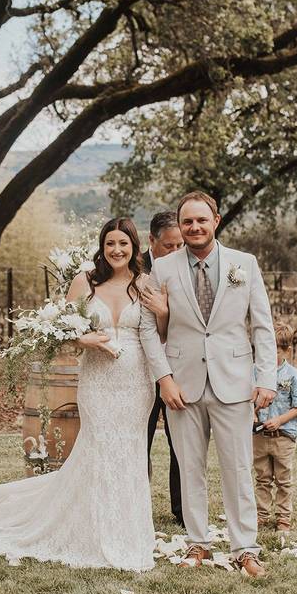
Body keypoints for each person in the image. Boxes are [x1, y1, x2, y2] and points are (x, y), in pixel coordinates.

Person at [0, 217, 160, 572]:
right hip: (97, 380)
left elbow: (157, 331)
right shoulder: (86, 282)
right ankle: (95, 532)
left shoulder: (144, 284)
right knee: (98, 448)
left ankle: (130, 532)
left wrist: (166, 312)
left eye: (123, 244)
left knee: (129, 451)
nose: (116, 250)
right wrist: (85, 339)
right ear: (102, 246)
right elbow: (60, 332)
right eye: (110, 243)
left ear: (134, 247)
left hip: (136, 381)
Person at [140, 191, 277, 578]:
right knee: (189, 468)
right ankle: (197, 543)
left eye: (201, 220)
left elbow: (263, 326)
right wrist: (164, 379)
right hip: (182, 386)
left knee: (238, 469)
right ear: (180, 227)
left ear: (215, 220)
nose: (194, 227)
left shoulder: (243, 264)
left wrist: (265, 378)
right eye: (187, 222)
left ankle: (245, 548)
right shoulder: (162, 269)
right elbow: (149, 330)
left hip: (234, 383)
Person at [140, 210, 185, 526]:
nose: (176, 252)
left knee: (180, 441)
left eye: (179, 245)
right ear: (151, 241)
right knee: (137, 441)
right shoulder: (132, 269)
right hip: (139, 370)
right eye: (169, 246)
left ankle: (183, 511)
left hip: (179, 367)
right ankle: (136, 506)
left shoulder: (189, 267)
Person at [252, 324, 297, 532]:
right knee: (262, 477)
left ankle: (284, 517)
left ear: (287, 351)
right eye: (266, 348)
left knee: (283, 479)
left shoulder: (292, 375)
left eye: (275, 350)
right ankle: (261, 514)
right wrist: (253, 414)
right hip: (259, 436)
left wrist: (280, 420)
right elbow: (248, 399)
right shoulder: (254, 372)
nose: (270, 354)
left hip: (283, 435)